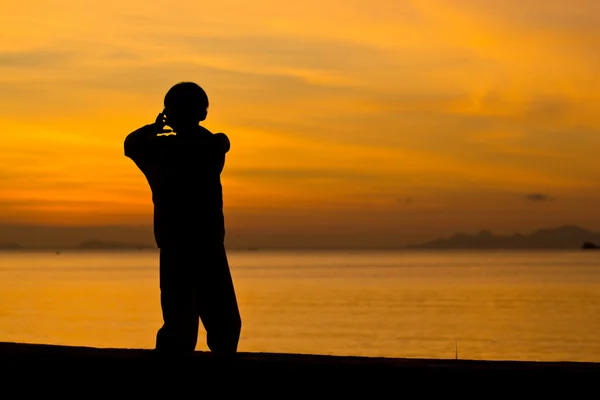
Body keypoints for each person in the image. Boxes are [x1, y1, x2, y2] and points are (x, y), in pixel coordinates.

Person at [124, 82, 241, 355]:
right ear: (203, 113)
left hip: (174, 246)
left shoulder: (158, 151)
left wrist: (155, 127)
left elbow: (130, 144)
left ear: (168, 114)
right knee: (223, 322)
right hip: (206, 245)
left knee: (178, 324)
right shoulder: (210, 147)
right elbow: (222, 141)